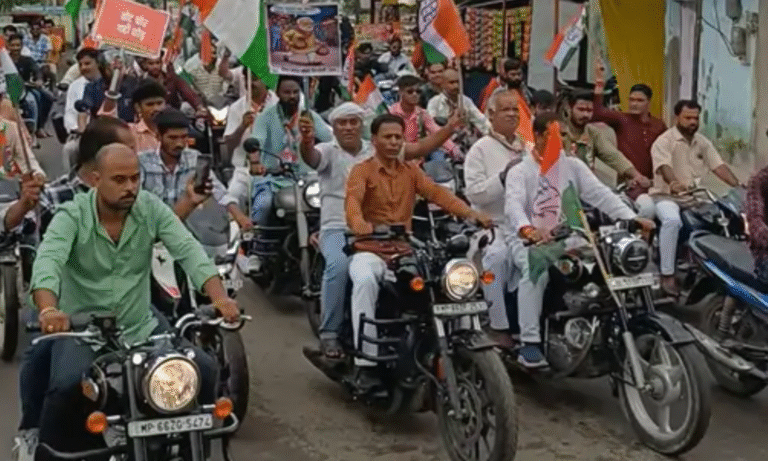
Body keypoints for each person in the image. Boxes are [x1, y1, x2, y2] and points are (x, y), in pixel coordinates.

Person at [19, 142, 238, 460]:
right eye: (119, 180)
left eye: (135, 179)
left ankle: (197, 451)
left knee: (202, 370)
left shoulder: (150, 209)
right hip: (84, 331)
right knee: (65, 386)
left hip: (140, 324)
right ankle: (45, 451)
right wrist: (50, 309)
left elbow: (189, 251)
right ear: (96, 179)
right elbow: (47, 263)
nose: (130, 187)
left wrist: (220, 299)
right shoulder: (72, 215)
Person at [298, 103, 466, 359]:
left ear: (362, 126)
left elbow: (421, 148)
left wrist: (451, 128)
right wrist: (307, 140)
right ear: (333, 127)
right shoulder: (327, 151)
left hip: (381, 232)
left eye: (354, 122)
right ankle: (330, 333)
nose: (348, 127)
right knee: (339, 268)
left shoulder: (377, 149)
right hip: (337, 228)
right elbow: (311, 158)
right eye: (342, 123)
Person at [345, 113, 492, 385]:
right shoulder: (361, 170)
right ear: (375, 140)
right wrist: (361, 225)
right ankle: (365, 362)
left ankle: (465, 347)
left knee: (443, 284)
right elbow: (353, 203)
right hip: (370, 249)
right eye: (387, 137)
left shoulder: (411, 170)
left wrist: (472, 214)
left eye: (397, 137)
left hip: (405, 249)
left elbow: (438, 194)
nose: (392, 142)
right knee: (365, 280)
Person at [505, 112, 655, 368]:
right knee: (536, 269)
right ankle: (529, 344)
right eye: (555, 135)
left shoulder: (572, 165)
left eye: (564, 134)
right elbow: (513, 207)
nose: (562, 140)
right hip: (529, 242)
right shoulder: (520, 171)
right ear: (539, 136)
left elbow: (600, 194)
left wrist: (632, 217)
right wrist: (529, 230)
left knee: (610, 260)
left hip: (570, 236)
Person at [647, 100, 740, 295]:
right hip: (666, 197)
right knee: (672, 221)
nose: (692, 122)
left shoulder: (703, 142)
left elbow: (719, 166)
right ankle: (667, 276)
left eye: (695, 118)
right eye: (687, 117)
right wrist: (674, 184)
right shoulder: (664, 141)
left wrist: (738, 186)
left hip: (694, 198)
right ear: (676, 118)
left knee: (723, 218)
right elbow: (664, 167)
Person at [464, 91, 528, 346]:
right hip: (495, 225)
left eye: (515, 109)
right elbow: (475, 194)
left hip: (527, 226)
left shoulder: (528, 147)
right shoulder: (479, 150)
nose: (512, 114)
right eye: (506, 110)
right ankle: (498, 325)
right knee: (497, 257)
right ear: (491, 115)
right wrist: (503, 177)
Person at [249, 76, 333, 225]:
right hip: (274, 180)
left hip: (307, 181)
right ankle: (256, 243)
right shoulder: (265, 117)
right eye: (287, 92)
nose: (292, 96)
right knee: (263, 205)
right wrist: (255, 162)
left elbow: (330, 138)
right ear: (277, 93)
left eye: (295, 92)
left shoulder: (308, 116)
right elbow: (256, 142)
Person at [138, 108, 230, 220]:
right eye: (173, 138)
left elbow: (220, 194)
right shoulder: (142, 162)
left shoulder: (194, 158)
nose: (179, 143)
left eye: (184, 137)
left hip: (189, 228)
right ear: (158, 136)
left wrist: (241, 219)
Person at [592, 63, 666, 200]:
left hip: (653, 184)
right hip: (628, 183)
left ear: (648, 102)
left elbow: (665, 154)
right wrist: (599, 83)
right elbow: (597, 113)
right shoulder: (621, 119)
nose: (634, 104)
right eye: (631, 100)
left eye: (639, 100)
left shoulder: (659, 125)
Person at [562, 91, 650, 188]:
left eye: (589, 111)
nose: (585, 115)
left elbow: (612, 156)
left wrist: (637, 176)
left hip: (585, 187)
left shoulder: (593, 132)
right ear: (569, 109)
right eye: (581, 110)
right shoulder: (558, 132)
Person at [389, 74, 459, 158]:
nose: (415, 94)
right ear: (400, 92)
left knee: (439, 157)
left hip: (419, 155)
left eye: (418, 91)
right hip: (397, 155)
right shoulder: (391, 113)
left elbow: (437, 132)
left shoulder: (422, 113)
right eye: (410, 92)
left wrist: (454, 149)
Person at [224, 70, 274, 168]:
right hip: (243, 169)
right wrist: (242, 127)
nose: (250, 83)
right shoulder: (236, 107)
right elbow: (229, 145)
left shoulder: (278, 104)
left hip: (274, 167)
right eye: (246, 79)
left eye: (254, 79)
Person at [63, 48, 104, 169]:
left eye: (87, 63)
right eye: (80, 65)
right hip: (82, 134)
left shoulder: (109, 83)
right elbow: (70, 114)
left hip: (108, 132)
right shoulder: (75, 86)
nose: (83, 68)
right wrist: (81, 131)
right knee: (69, 149)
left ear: (98, 63)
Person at [8, 33, 52, 140]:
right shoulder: (4, 60)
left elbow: (36, 70)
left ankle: (38, 128)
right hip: (7, 90)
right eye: (13, 45)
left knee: (47, 97)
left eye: (18, 45)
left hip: (26, 88)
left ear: (22, 46)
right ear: (8, 46)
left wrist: (39, 79)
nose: (15, 48)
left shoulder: (27, 60)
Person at [427, 68, 489, 135]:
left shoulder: (466, 101)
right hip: (442, 140)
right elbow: (431, 127)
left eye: (458, 82)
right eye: (452, 82)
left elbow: (482, 121)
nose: (456, 86)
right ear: (442, 84)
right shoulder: (434, 103)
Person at [140, 56, 205, 115]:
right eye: (151, 64)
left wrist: (199, 107)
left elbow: (187, 91)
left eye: (157, 63)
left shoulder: (171, 78)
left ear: (161, 63)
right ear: (145, 65)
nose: (155, 66)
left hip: (173, 115)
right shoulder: (142, 81)